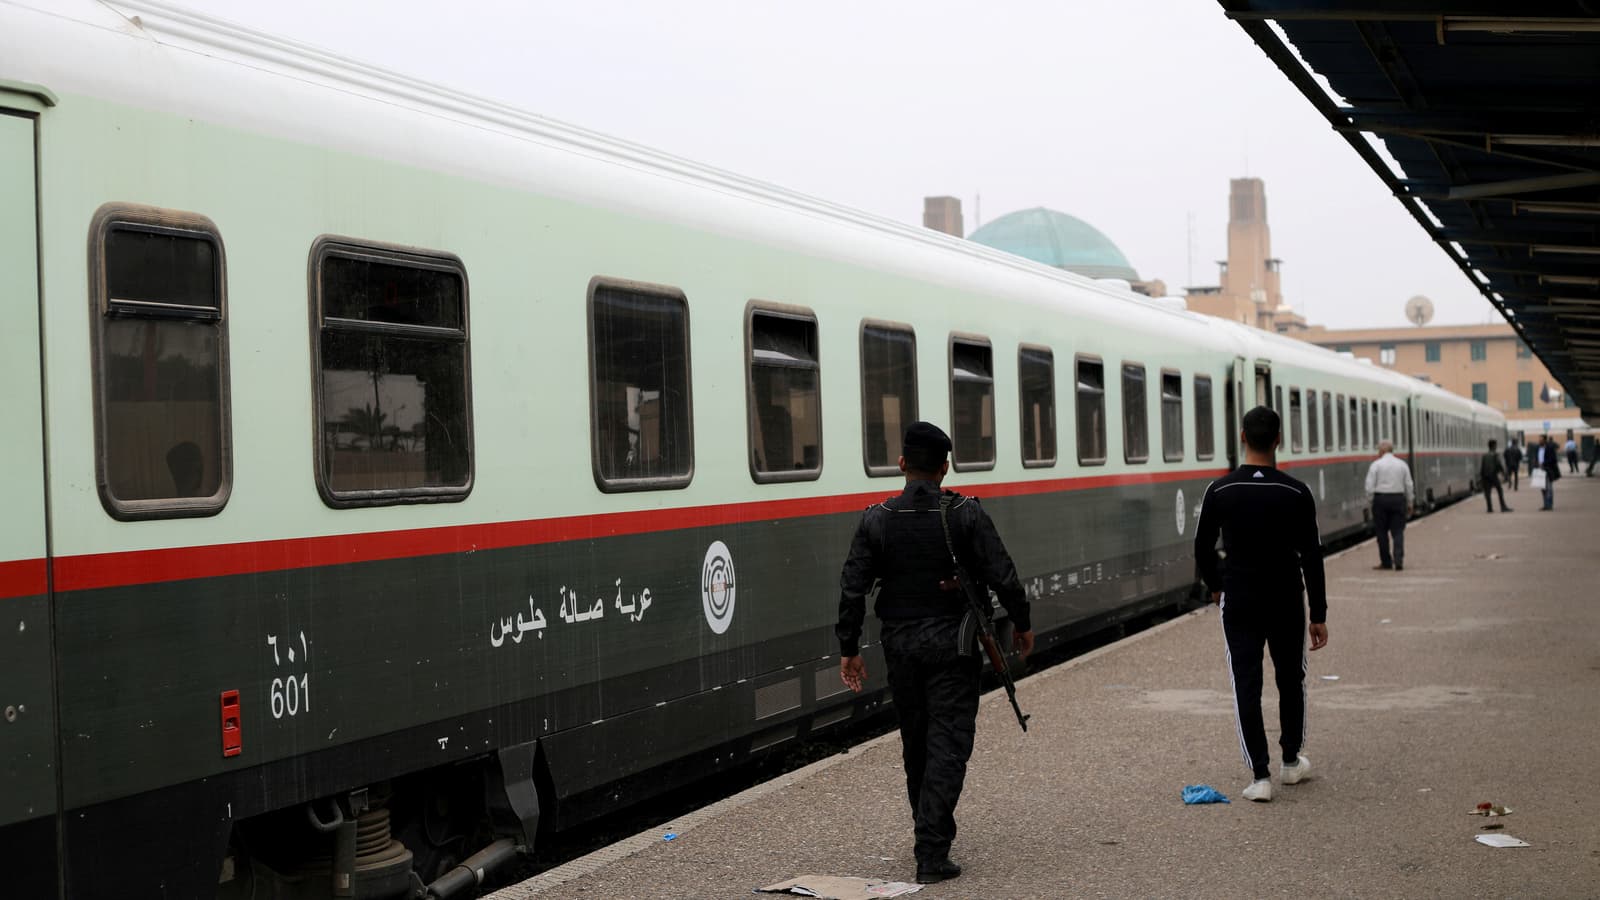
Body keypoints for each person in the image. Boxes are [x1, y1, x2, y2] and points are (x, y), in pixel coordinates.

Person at [836, 421, 1033, 884]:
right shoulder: (966, 514)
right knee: (949, 742)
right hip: (954, 646)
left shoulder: (876, 518)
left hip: (900, 647)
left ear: (902, 464)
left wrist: (848, 647)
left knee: (917, 740)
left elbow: (852, 589)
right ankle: (931, 849)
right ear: (945, 468)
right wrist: (1021, 624)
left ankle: (929, 832)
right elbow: (1004, 574)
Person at [1193, 406, 1327, 803]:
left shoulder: (1220, 490)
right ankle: (1289, 762)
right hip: (1286, 597)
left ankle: (1260, 776)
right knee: (1290, 679)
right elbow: (1312, 556)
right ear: (1279, 440)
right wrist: (1318, 614)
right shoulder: (1296, 492)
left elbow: (1202, 546)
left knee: (1246, 683)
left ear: (1242, 438)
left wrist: (1217, 586)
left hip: (1240, 599)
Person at [1363, 440, 1414, 571]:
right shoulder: (1402, 465)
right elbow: (1408, 485)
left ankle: (1386, 562)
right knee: (1398, 531)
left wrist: (1370, 502)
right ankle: (1398, 560)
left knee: (1381, 533)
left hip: (1381, 500)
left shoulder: (1376, 465)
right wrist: (1410, 502)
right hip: (1398, 499)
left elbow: (1369, 487)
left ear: (1381, 451)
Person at [1480, 440, 1511, 513]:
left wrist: (1482, 477)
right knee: (1500, 491)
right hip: (1493, 476)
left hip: (1486, 477)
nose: (1496, 447)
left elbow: (1482, 467)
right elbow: (1499, 465)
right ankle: (1503, 507)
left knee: (1488, 493)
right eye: (1496, 445)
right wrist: (1504, 475)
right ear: (1494, 446)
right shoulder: (1495, 455)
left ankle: (1489, 508)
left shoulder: (1484, 455)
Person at [1536, 435, 1563, 510]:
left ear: (1545, 440)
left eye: (1541, 439)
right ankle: (1545, 504)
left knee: (1549, 488)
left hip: (1547, 469)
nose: (1539, 440)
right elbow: (1536, 458)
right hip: (1540, 470)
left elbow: (1553, 459)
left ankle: (1549, 505)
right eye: (1539, 439)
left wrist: (1544, 463)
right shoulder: (1538, 448)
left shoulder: (1550, 448)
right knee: (1542, 488)